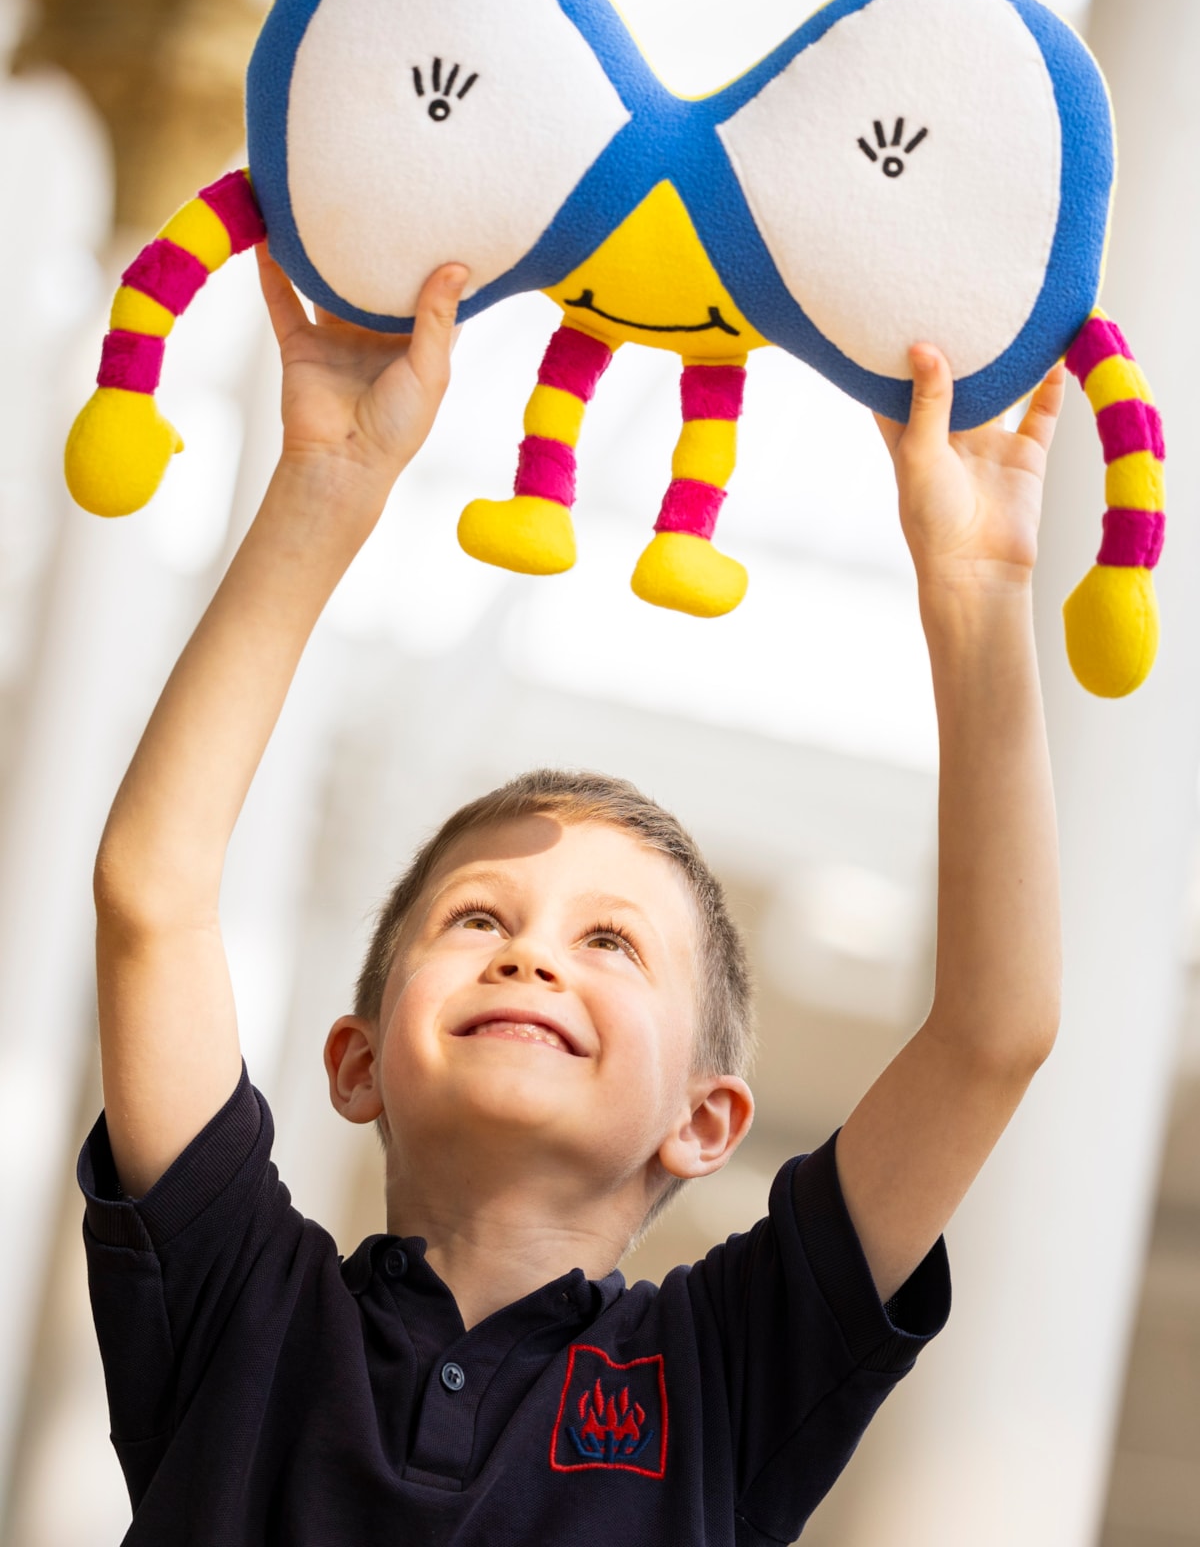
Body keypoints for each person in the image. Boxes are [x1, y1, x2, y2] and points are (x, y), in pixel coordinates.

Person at [79, 245, 1064, 1545]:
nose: (534, 956)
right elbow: (152, 895)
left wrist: (980, 601)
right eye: (479, 919)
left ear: (706, 1122)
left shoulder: (725, 1373)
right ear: (358, 1058)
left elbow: (994, 1033)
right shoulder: (241, 1306)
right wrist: (325, 486)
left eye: (611, 942)